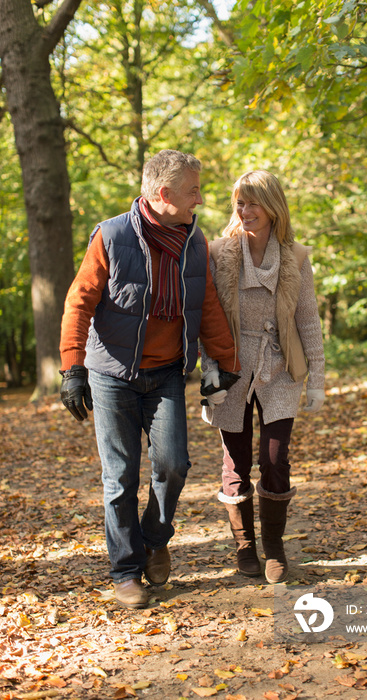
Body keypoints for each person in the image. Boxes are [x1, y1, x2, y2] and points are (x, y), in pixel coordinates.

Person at [59, 149, 239, 609]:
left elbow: (208, 305)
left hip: (166, 376)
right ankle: (125, 571)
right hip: (112, 376)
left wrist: (225, 362)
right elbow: (79, 303)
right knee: (119, 477)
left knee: (174, 464)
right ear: (164, 194)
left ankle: (156, 539)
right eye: (192, 191)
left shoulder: (193, 242)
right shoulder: (112, 236)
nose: (199, 198)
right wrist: (72, 367)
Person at [201, 170, 325, 584]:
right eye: (240, 202)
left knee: (274, 459)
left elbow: (308, 321)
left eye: (253, 202)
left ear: (273, 208)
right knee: (235, 461)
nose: (245, 210)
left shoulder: (297, 258)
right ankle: (244, 549)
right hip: (233, 370)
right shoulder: (219, 253)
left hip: (280, 369)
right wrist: (210, 380)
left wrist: (318, 381)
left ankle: (273, 546)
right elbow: (207, 319)